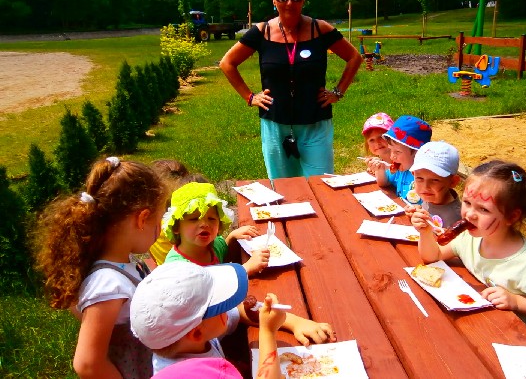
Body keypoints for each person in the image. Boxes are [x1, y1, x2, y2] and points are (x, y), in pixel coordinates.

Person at [33, 157, 169, 379]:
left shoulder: (123, 265)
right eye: (159, 219)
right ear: (143, 219)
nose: (161, 228)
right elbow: (87, 364)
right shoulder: (108, 284)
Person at [220, 0, 363, 179]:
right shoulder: (262, 32)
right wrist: (250, 97)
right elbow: (227, 63)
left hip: (315, 124)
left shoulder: (319, 29)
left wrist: (338, 92)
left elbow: (354, 57)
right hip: (275, 125)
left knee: (322, 186)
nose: (289, 2)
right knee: (283, 189)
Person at [416, 160, 526, 344]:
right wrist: (425, 232)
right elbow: (433, 256)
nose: (469, 214)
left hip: (521, 344)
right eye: (467, 202)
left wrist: (516, 302)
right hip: (484, 330)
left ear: (512, 217)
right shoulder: (469, 239)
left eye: (483, 209)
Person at [130, 261, 333, 375]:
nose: (228, 307)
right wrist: (267, 332)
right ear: (196, 333)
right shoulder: (194, 374)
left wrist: (295, 322)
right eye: (220, 305)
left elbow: (243, 312)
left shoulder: (187, 337)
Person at [162, 181, 270, 275]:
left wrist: (232, 237)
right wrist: (246, 268)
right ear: (176, 227)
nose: (204, 224)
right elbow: (210, 286)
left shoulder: (213, 245)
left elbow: (224, 254)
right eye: (194, 219)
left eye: (211, 218)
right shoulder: (176, 267)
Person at [404, 141, 462, 231]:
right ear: (413, 175)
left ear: (453, 182)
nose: (425, 187)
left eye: (435, 180)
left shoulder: (456, 217)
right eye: (420, 178)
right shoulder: (429, 197)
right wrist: (414, 217)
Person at [372, 115, 432, 202]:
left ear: (417, 153)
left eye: (397, 152)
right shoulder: (400, 170)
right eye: (391, 150)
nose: (392, 156)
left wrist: (419, 208)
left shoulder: (426, 180)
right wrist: (380, 169)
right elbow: (384, 183)